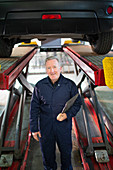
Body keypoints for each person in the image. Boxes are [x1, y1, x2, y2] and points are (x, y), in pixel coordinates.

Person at [30, 56, 81, 170]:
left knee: (66, 155)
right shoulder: (40, 86)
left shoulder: (69, 85)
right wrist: (34, 129)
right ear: (45, 70)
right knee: (47, 156)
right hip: (45, 126)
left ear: (60, 68)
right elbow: (34, 107)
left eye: (54, 67)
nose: (52, 71)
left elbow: (77, 103)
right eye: (49, 68)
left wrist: (67, 115)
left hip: (63, 126)